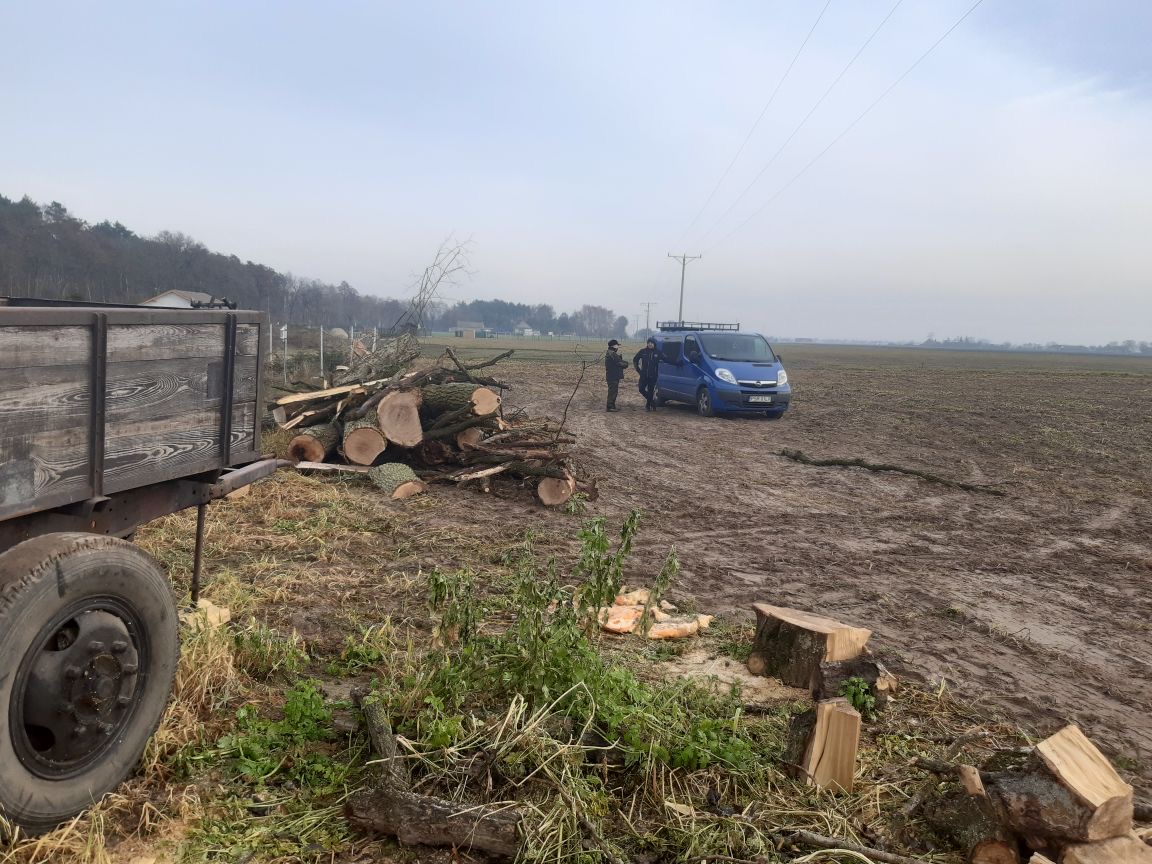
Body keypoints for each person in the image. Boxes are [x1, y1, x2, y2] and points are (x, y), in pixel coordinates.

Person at [633, 337, 660, 410]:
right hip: (643, 375)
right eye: (649, 343)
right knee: (641, 389)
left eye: (651, 343)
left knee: (651, 391)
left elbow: (666, 359)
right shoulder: (643, 351)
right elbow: (635, 359)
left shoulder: (658, 352)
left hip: (653, 376)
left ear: (654, 344)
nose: (650, 344)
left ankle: (648, 406)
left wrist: (677, 362)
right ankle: (652, 402)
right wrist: (638, 370)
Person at [604, 339, 628, 411]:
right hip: (613, 376)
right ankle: (610, 407)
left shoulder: (611, 353)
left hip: (612, 375)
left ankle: (612, 406)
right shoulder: (612, 354)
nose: (618, 347)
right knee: (613, 391)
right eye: (617, 345)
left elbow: (617, 362)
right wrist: (626, 364)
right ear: (614, 346)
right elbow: (619, 363)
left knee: (613, 391)